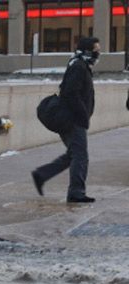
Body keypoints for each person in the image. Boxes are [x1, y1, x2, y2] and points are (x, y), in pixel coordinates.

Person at [31, 36, 100, 203]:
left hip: (72, 118)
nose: (98, 55)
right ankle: (76, 192)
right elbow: (70, 94)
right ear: (87, 51)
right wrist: (83, 115)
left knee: (73, 154)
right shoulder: (79, 66)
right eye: (96, 51)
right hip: (73, 119)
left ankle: (42, 175)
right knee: (80, 156)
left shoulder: (79, 64)